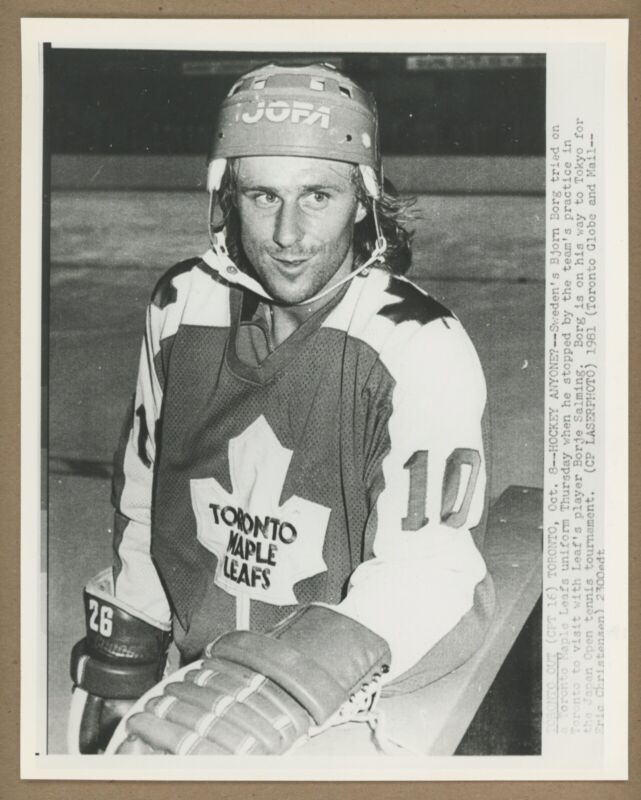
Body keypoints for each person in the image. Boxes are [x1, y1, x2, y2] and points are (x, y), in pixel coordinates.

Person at [68, 62, 495, 756]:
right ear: (225, 197)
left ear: (363, 200)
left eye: (317, 195)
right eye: (262, 195)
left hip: (354, 685)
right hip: (208, 678)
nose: (289, 235)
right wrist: (132, 645)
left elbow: (430, 569)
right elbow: (145, 492)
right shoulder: (181, 303)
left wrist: (286, 684)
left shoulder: (417, 341)